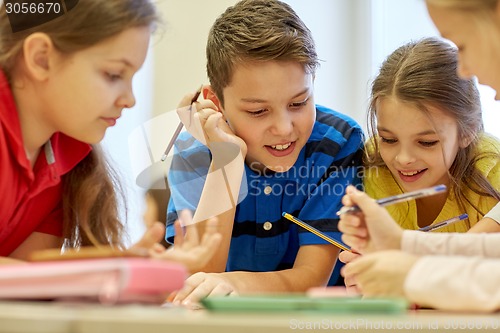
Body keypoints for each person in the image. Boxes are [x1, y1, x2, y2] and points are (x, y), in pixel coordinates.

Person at [166, 0, 364, 305]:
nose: (284, 128)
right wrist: (226, 160)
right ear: (215, 103)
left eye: (298, 103)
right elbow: (196, 282)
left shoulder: (339, 143)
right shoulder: (193, 154)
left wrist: (229, 284)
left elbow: (311, 279)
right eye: (258, 111)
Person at [0, 0, 220, 271]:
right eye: (114, 74)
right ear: (40, 58)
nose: (130, 100)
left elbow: (24, 283)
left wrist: (129, 274)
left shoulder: (67, 157)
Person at [338, 0, 500, 311]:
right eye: (388, 139)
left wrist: (408, 273)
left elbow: (485, 267)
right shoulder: (372, 166)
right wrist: (395, 254)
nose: (403, 159)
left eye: (462, 45)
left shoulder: (489, 164)